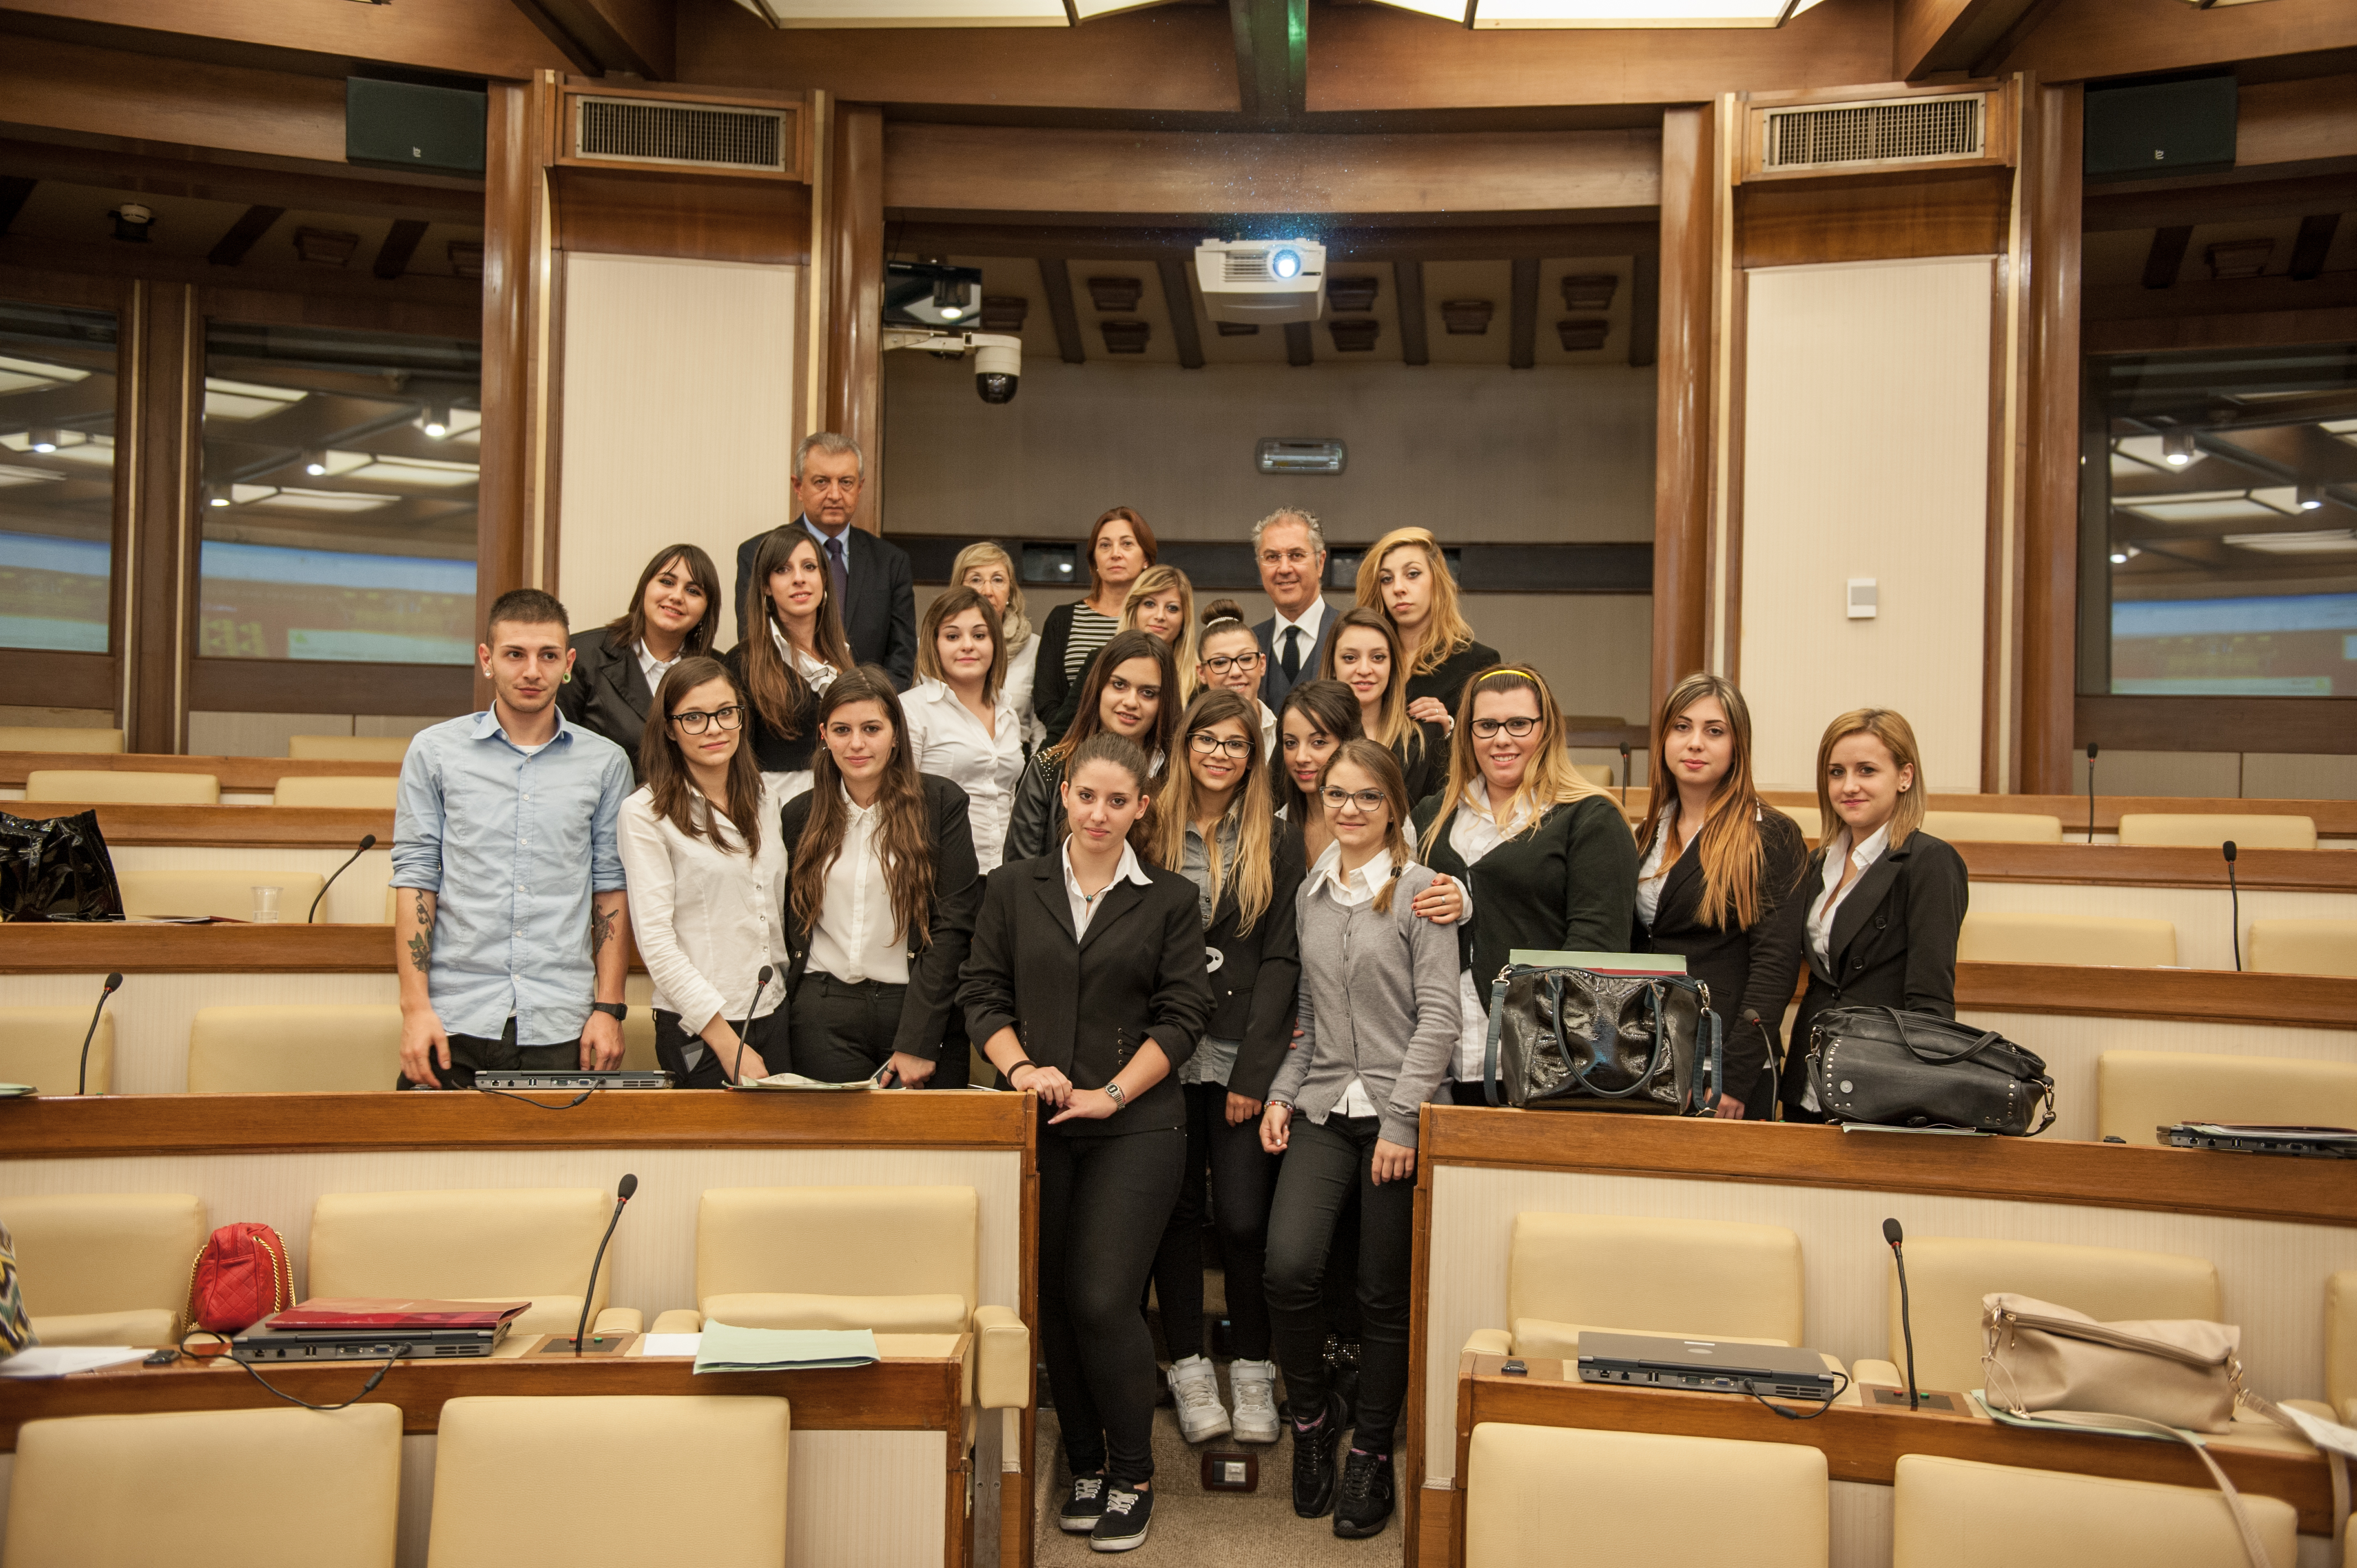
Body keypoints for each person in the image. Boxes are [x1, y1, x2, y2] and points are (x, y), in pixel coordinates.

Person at [961, 731, 1214, 1554]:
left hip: (1137, 1122)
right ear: (1064, 795)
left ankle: (1135, 1473)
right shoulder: (1011, 887)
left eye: (1118, 800)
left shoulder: (1171, 899)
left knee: (1104, 1296)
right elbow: (982, 994)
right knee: (1055, 1309)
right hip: (1039, 1122)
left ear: (1142, 808)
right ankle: (1084, 1466)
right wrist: (1022, 1068)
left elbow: (1184, 1018)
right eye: (1086, 796)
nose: (1099, 813)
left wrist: (1111, 1095)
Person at [1261, 738, 1459, 1540]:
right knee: (1288, 1267)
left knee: (1383, 1294)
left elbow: (1440, 1017)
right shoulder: (1310, 894)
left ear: (1393, 809)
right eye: (1336, 795)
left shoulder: (1423, 895)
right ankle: (1312, 1426)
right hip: (1321, 1107)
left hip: (1398, 1117)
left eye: (1366, 797)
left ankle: (1373, 1451)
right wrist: (1280, 1093)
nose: (1348, 809)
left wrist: (1404, 1118)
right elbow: (1309, 1019)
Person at [1145, 688, 1303, 1450]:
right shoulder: (1148, 828)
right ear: (1184, 745)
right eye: (1206, 739)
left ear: (1253, 756)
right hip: (1161, 1058)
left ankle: (1251, 1365)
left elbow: (1282, 961)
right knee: (1174, 1218)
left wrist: (1257, 1073)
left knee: (1243, 1221)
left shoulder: (1279, 838)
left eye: (1235, 743)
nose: (1219, 754)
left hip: (1242, 1057)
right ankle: (1185, 1364)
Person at [392, 589, 631, 1090]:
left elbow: (610, 888)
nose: (531, 671)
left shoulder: (606, 763)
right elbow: (416, 880)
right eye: (514, 654)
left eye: (547, 656)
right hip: (454, 1017)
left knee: (557, 1171)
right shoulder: (434, 752)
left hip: (562, 1022)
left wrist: (609, 1009)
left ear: (568, 664)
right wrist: (415, 1010)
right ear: (487, 660)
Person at [1413, 666, 1639, 1105]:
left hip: (1547, 1064)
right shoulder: (1431, 815)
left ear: (1546, 729)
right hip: (1441, 1065)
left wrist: (1472, 900)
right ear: (1468, 734)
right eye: (1486, 725)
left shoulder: (1590, 818)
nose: (1502, 739)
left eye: (1519, 724)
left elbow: (1597, 952)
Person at [779, 668, 982, 1087]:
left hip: (917, 1008)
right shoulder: (799, 815)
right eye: (842, 729)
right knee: (838, 1153)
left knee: (928, 1152)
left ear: (896, 734)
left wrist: (919, 1039)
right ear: (823, 735)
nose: (856, 743)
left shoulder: (941, 804)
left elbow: (953, 927)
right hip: (824, 1013)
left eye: (871, 728)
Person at [1771, 707, 1968, 1123]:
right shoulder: (1817, 862)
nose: (1849, 786)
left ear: (1904, 777)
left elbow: (1931, 1003)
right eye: (1836, 772)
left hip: (1879, 1084)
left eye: (1866, 770)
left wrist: (1908, 1094)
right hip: (1808, 1075)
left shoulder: (1930, 862)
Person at [1628, 674, 1810, 1120]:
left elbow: (1776, 966)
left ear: (1736, 747)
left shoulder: (1769, 835)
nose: (1695, 744)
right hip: (1651, 1052)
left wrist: (1733, 1074)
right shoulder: (1648, 831)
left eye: (1714, 731)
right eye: (1682, 727)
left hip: (1724, 1063)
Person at [616, 657, 791, 1087]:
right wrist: (728, 1044)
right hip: (701, 1027)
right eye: (694, 717)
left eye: (725, 713)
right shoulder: (645, 813)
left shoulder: (768, 797)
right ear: (670, 728)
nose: (714, 728)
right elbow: (657, 944)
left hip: (774, 1009)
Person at [731, 432, 917, 687]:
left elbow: (902, 657)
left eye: (846, 482)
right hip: (783, 707)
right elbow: (754, 645)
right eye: (821, 482)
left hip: (868, 713)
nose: (835, 494)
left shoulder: (890, 562)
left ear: (860, 487)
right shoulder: (757, 554)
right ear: (798, 487)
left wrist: (867, 707)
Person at [1005, 629, 1179, 865]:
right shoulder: (1050, 767)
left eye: (1148, 693)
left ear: (1164, 701)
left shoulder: (1177, 773)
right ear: (1098, 688)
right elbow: (1019, 873)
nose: (1130, 702)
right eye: (1119, 685)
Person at [558, 543, 723, 776]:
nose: (676, 596)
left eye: (693, 591)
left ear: (707, 609)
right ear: (644, 587)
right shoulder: (582, 656)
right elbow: (557, 749)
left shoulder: (721, 672)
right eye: (667, 582)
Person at [902, 586, 1024, 873]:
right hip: (940, 872)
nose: (968, 645)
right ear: (933, 645)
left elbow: (1008, 797)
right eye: (953, 636)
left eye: (980, 635)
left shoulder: (1008, 712)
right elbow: (901, 803)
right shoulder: (911, 710)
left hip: (1005, 872)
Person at [729, 528, 855, 800]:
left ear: (824, 577)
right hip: (776, 812)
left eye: (809, 567)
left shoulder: (843, 658)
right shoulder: (742, 663)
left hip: (844, 803)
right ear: (766, 586)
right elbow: (736, 766)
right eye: (783, 570)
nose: (799, 579)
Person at [1356, 527, 1498, 733]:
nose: (1398, 588)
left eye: (1412, 574)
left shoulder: (1477, 662)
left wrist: (1449, 727)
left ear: (1436, 580)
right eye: (1386, 579)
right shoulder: (1362, 661)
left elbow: (1488, 743)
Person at [1035, 507, 1154, 739]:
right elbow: (1046, 698)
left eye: (1127, 544)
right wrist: (1080, 739)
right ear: (1094, 560)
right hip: (1073, 745)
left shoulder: (1156, 620)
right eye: (1105, 545)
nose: (1115, 554)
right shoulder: (1063, 618)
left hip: (1143, 752)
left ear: (1146, 559)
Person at [1046, 563, 1197, 740]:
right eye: (1149, 604)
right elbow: (1062, 733)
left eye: (1172, 608)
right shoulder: (1099, 661)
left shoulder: (1198, 677)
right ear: (1134, 609)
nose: (1160, 615)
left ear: (1184, 619)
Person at [1322, 606, 1444, 806]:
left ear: (1393, 666)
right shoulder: (1313, 737)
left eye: (1378, 657)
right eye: (1350, 658)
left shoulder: (1424, 736)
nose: (1364, 670)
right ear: (1333, 665)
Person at [952, 540, 1043, 746]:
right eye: (976, 580)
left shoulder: (1034, 647)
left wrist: (1035, 777)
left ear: (1010, 591)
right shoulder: (934, 645)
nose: (987, 591)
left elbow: (1040, 727)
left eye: (998, 580)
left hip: (1014, 764)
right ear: (958, 588)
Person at [1252, 508, 1337, 713]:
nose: (1284, 568)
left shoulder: (1351, 636)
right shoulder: (1249, 643)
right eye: (1272, 557)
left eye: (1296, 555)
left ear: (1320, 563)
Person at [1274, 678, 1362, 866]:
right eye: (1291, 743)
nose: (1301, 757)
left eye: (1319, 743)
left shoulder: (1379, 821)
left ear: (1348, 743)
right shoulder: (1277, 826)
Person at [1195, 599, 1276, 760]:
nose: (1236, 672)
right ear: (1202, 673)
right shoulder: (1189, 736)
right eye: (1220, 663)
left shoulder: (1282, 733)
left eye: (1246, 659)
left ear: (1262, 664)